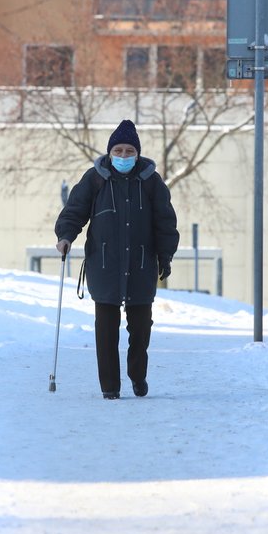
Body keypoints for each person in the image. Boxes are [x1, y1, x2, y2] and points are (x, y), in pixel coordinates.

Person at [55, 119, 179, 400]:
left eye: (129, 151)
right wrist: (65, 236)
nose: (124, 156)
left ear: (137, 154)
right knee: (106, 330)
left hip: (141, 263)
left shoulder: (150, 182)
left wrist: (166, 254)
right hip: (104, 264)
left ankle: (137, 375)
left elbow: (165, 221)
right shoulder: (95, 179)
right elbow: (75, 211)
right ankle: (109, 386)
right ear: (110, 152)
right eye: (119, 151)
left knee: (141, 327)